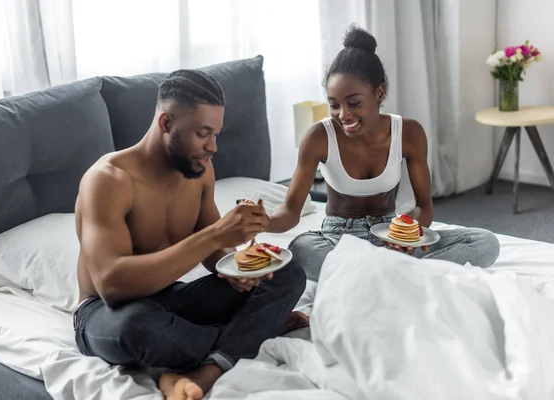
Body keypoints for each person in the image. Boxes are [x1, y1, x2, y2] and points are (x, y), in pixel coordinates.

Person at [72, 69, 307, 400]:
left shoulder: (200, 170)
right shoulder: (108, 180)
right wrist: (214, 236)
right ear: (166, 123)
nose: (212, 147)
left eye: (217, 134)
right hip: (106, 314)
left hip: (171, 301)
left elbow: (215, 256)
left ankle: (205, 369)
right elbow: (112, 286)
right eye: (203, 133)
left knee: (287, 273)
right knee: (139, 327)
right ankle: (251, 335)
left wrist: (237, 269)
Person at [265, 24, 500, 282]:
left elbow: (424, 207)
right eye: (334, 105)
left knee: (484, 243)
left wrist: (409, 235)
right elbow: (289, 212)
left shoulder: (408, 133)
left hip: (393, 236)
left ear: (378, 93)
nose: (343, 115)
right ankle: (405, 277)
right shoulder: (318, 137)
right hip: (339, 240)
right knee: (302, 250)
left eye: (354, 103)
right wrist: (258, 222)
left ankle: (374, 278)